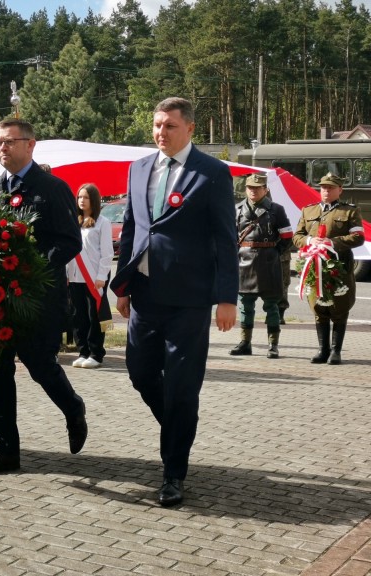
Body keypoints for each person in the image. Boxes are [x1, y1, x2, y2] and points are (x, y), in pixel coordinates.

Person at [110, 97, 238, 506]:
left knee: (182, 387)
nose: (160, 133)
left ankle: (173, 473)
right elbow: (132, 227)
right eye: (156, 125)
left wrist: (226, 298)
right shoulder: (139, 168)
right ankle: (179, 427)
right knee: (140, 373)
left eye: (169, 126)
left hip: (189, 300)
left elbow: (225, 239)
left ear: (189, 130)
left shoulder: (213, 173)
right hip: (145, 293)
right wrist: (123, 286)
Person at [0, 118, 87, 477]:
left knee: (40, 366)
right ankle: (6, 450)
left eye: (9, 142)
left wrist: (31, 266)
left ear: (30, 145)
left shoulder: (51, 188)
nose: (1, 148)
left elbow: (70, 240)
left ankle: (73, 407)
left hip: (37, 299)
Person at [292, 173, 365, 365]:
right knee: (318, 308)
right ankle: (322, 349)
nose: (326, 190)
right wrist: (309, 240)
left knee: (339, 308)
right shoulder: (308, 210)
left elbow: (358, 237)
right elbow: (297, 236)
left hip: (339, 267)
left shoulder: (350, 211)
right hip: (315, 268)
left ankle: (335, 351)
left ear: (339, 190)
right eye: (323, 187)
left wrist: (331, 242)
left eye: (331, 188)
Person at [229, 173, 293, 359]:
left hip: (269, 263)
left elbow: (287, 236)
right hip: (244, 263)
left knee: (271, 306)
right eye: (250, 187)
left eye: (257, 188)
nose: (253, 191)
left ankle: (273, 345)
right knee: (245, 306)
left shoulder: (276, 210)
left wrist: (274, 252)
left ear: (265, 189)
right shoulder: (237, 209)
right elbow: (232, 236)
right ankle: (245, 343)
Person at [66, 183, 114, 368]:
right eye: (79, 197)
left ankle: (96, 353)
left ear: (93, 200)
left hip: (94, 278)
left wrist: (102, 276)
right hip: (75, 276)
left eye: (85, 197)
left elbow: (107, 253)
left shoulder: (103, 222)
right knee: (79, 316)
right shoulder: (73, 222)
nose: (81, 201)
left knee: (94, 315)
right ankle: (83, 350)